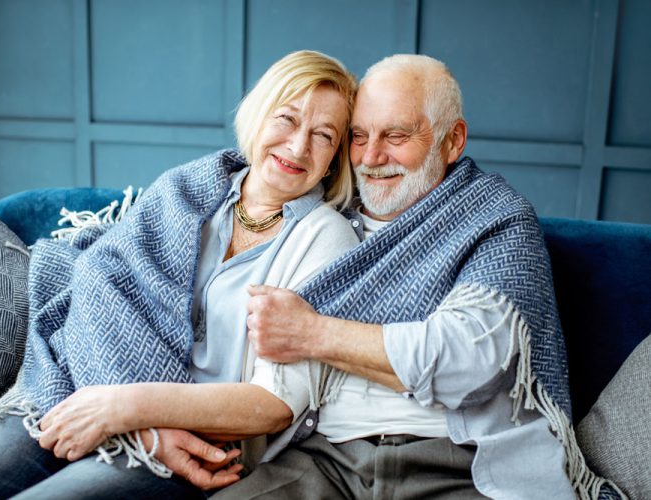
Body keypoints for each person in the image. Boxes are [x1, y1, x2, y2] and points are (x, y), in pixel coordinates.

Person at [213, 55, 622, 499]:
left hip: (458, 464)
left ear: (452, 140)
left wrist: (311, 333)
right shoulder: (325, 215)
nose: (371, 157)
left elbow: (471, 359)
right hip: (322, 460)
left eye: (395, 135)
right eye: (359, 136)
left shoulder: (495, 218)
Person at [0, 50, 361, 498]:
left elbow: (276, 404)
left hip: (195, 447)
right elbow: (100, 287)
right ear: (258, 114)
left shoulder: (325, 239)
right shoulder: (185, 189)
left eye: (323, 135)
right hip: (76, 390)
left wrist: (127, 415)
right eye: (287, 119)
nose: (298, 146)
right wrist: (138, 427)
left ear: (335, 158)